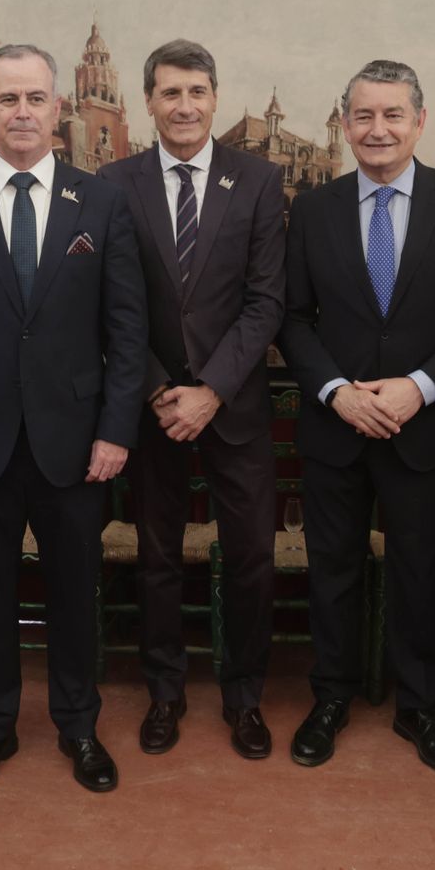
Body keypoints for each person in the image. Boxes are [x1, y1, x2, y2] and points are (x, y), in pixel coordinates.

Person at [0, 43, 147, 797]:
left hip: (76, 443)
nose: (22, 112)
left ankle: (79, 726)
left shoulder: (101, 202)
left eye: (36, 98)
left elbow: (127, 330)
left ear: (58, 108)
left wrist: (115, 430)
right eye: (8, 98)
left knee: (76, 592)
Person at [277, 59, 435, 772]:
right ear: (347, 124)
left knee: (417, 571)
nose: (377, 129)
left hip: (424, 428)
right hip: (335, 427)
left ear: (419, 121)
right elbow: (291, 318)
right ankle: (331, 697)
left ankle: (420, 706)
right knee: (332, 570)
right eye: (364, 116)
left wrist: (420, 386)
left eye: (392, 115)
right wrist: (336, 392)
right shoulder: (313, 209)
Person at [97, 39, 286, 759]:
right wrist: (158, 389)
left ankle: (244, 698)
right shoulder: (114, 183)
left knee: (251, 557)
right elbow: (111, 304)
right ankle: (164, 693)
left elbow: (266, 302)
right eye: (170, 92)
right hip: (150, 410)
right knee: (158, 557)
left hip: (233, 407)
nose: (184, 106)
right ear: (149, 101)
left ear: (214, 97)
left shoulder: (258, 181)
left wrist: (210, 390)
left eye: (197, 92)